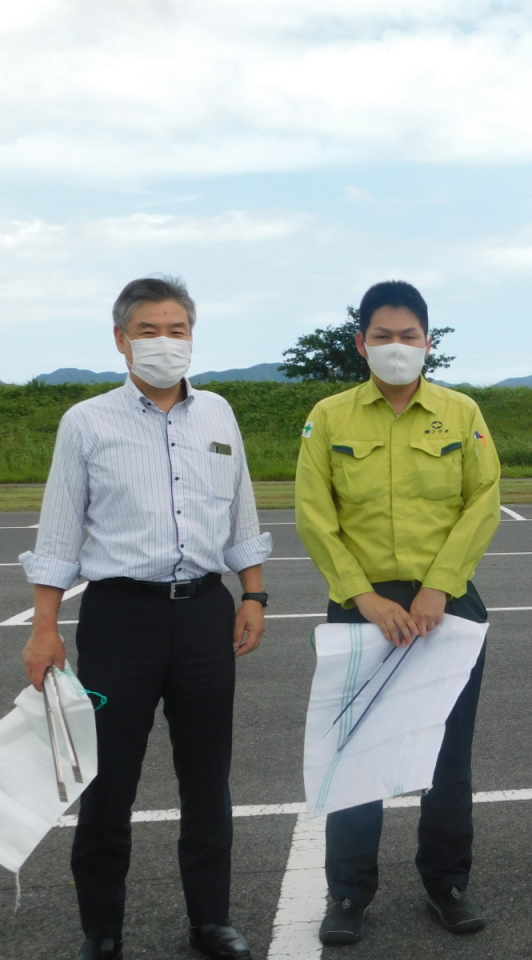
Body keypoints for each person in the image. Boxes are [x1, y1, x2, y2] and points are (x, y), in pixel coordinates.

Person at [18, 276, 272, 960]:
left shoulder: (219, 414)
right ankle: (102, 931)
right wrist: (44, 628)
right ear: (121, 339)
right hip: (118, 621)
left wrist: (253, 593)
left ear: (194, 335)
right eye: (150, 330)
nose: (165, 342)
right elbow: (59, 533)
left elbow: (241, 511)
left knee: (207, 777)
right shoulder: (88, 422)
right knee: (109, 785)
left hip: (203, 618)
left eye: (178, 329)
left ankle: (210, 921)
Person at [294, 280, 501, 946]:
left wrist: (440, 586)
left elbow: (483, 501)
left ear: (428, 344)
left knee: (448, 756)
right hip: (363, 608)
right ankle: (348, 893)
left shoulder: (461, 411)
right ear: (361, 343)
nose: (396, 347)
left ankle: (447, 884)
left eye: (409, 336)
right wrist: (365, 596)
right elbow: (314, 515)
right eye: (382, 336)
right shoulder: (329, 417)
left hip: (448, 604)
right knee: (355, 753)